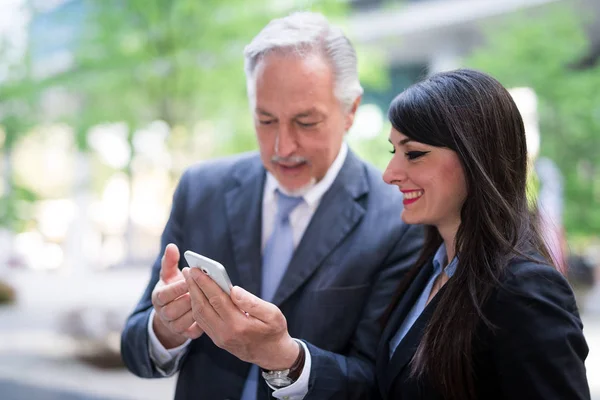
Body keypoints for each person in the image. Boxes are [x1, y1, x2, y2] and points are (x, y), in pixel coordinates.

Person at [120, 11, 423, 400]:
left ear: (351, 111)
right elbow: (133, 349)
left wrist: (288, 361)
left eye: (305, 122)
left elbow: (379, 383)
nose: (283, 147)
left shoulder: (399, 219)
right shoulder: (201, 190)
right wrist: (165, 330)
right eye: (265, 120)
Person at [376, 69, 590, 400]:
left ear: (476, 155)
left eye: (414, 154)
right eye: (394, 153)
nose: (390, 174)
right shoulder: (428, 270)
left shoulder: (525, 290)